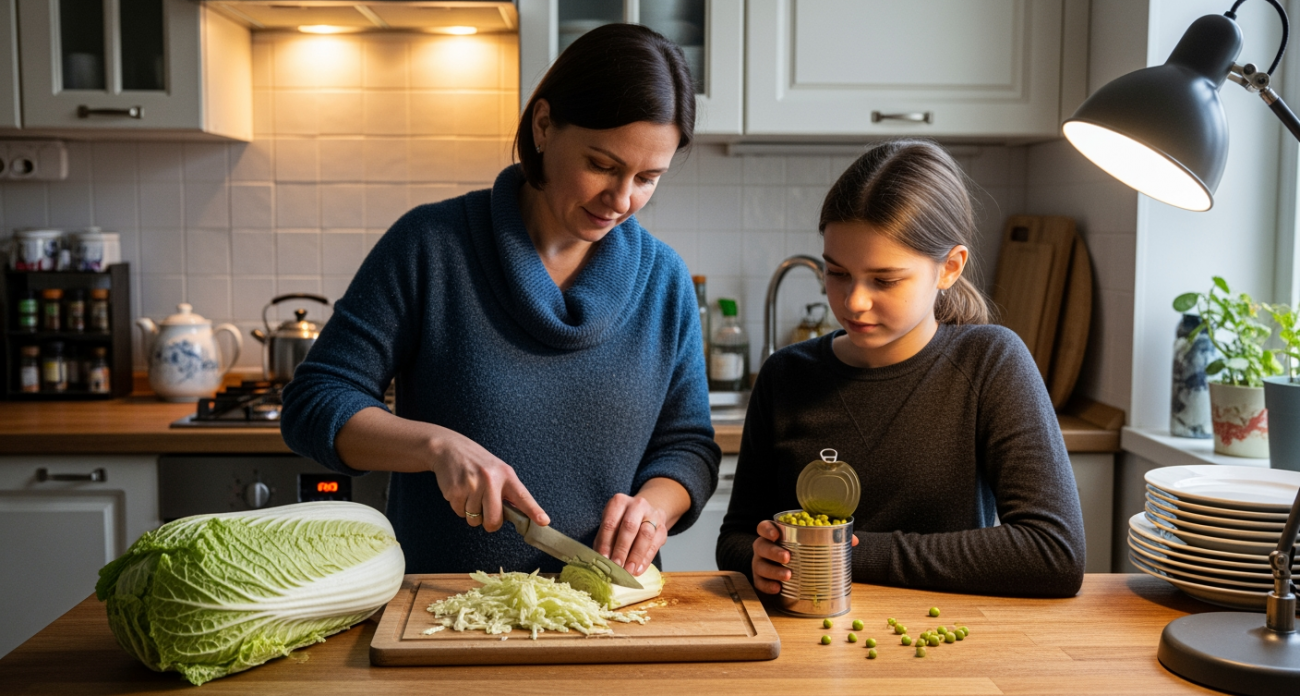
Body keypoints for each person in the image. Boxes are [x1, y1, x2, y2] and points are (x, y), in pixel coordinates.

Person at [281, 23, 720, 577]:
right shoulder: (431, 247)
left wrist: (655, 508)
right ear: (543, 126)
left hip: (611, 625)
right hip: (442, 614)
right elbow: (314, 402)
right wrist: (435, 446)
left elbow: (688, 447)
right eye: (603, 166)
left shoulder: (664, 280)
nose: (622, 198)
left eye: (648, 177)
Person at [715, 140, 1086, 598]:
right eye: (836, 272)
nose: (853, 301)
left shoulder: (991, 362)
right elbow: (734, 539)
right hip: (809, 643)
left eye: (884, 280)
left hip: (946, 644)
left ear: (949, 268)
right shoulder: (784, 375)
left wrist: (839, 553)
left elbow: (1054, 553)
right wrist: (759, 557)